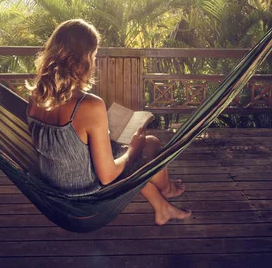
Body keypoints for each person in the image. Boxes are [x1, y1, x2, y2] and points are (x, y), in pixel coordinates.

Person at [26, 19, 192, 226]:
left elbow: (66, 145)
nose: (94, 63)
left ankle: (162, 205)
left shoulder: (37, 97)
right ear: (83, 59)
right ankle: (165, 190)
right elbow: (107, 176)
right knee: (148, 146)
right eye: (94, 56)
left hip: (55, 193)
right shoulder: (89, 105)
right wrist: (132, 149)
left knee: (146, 144)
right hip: (86, 201)